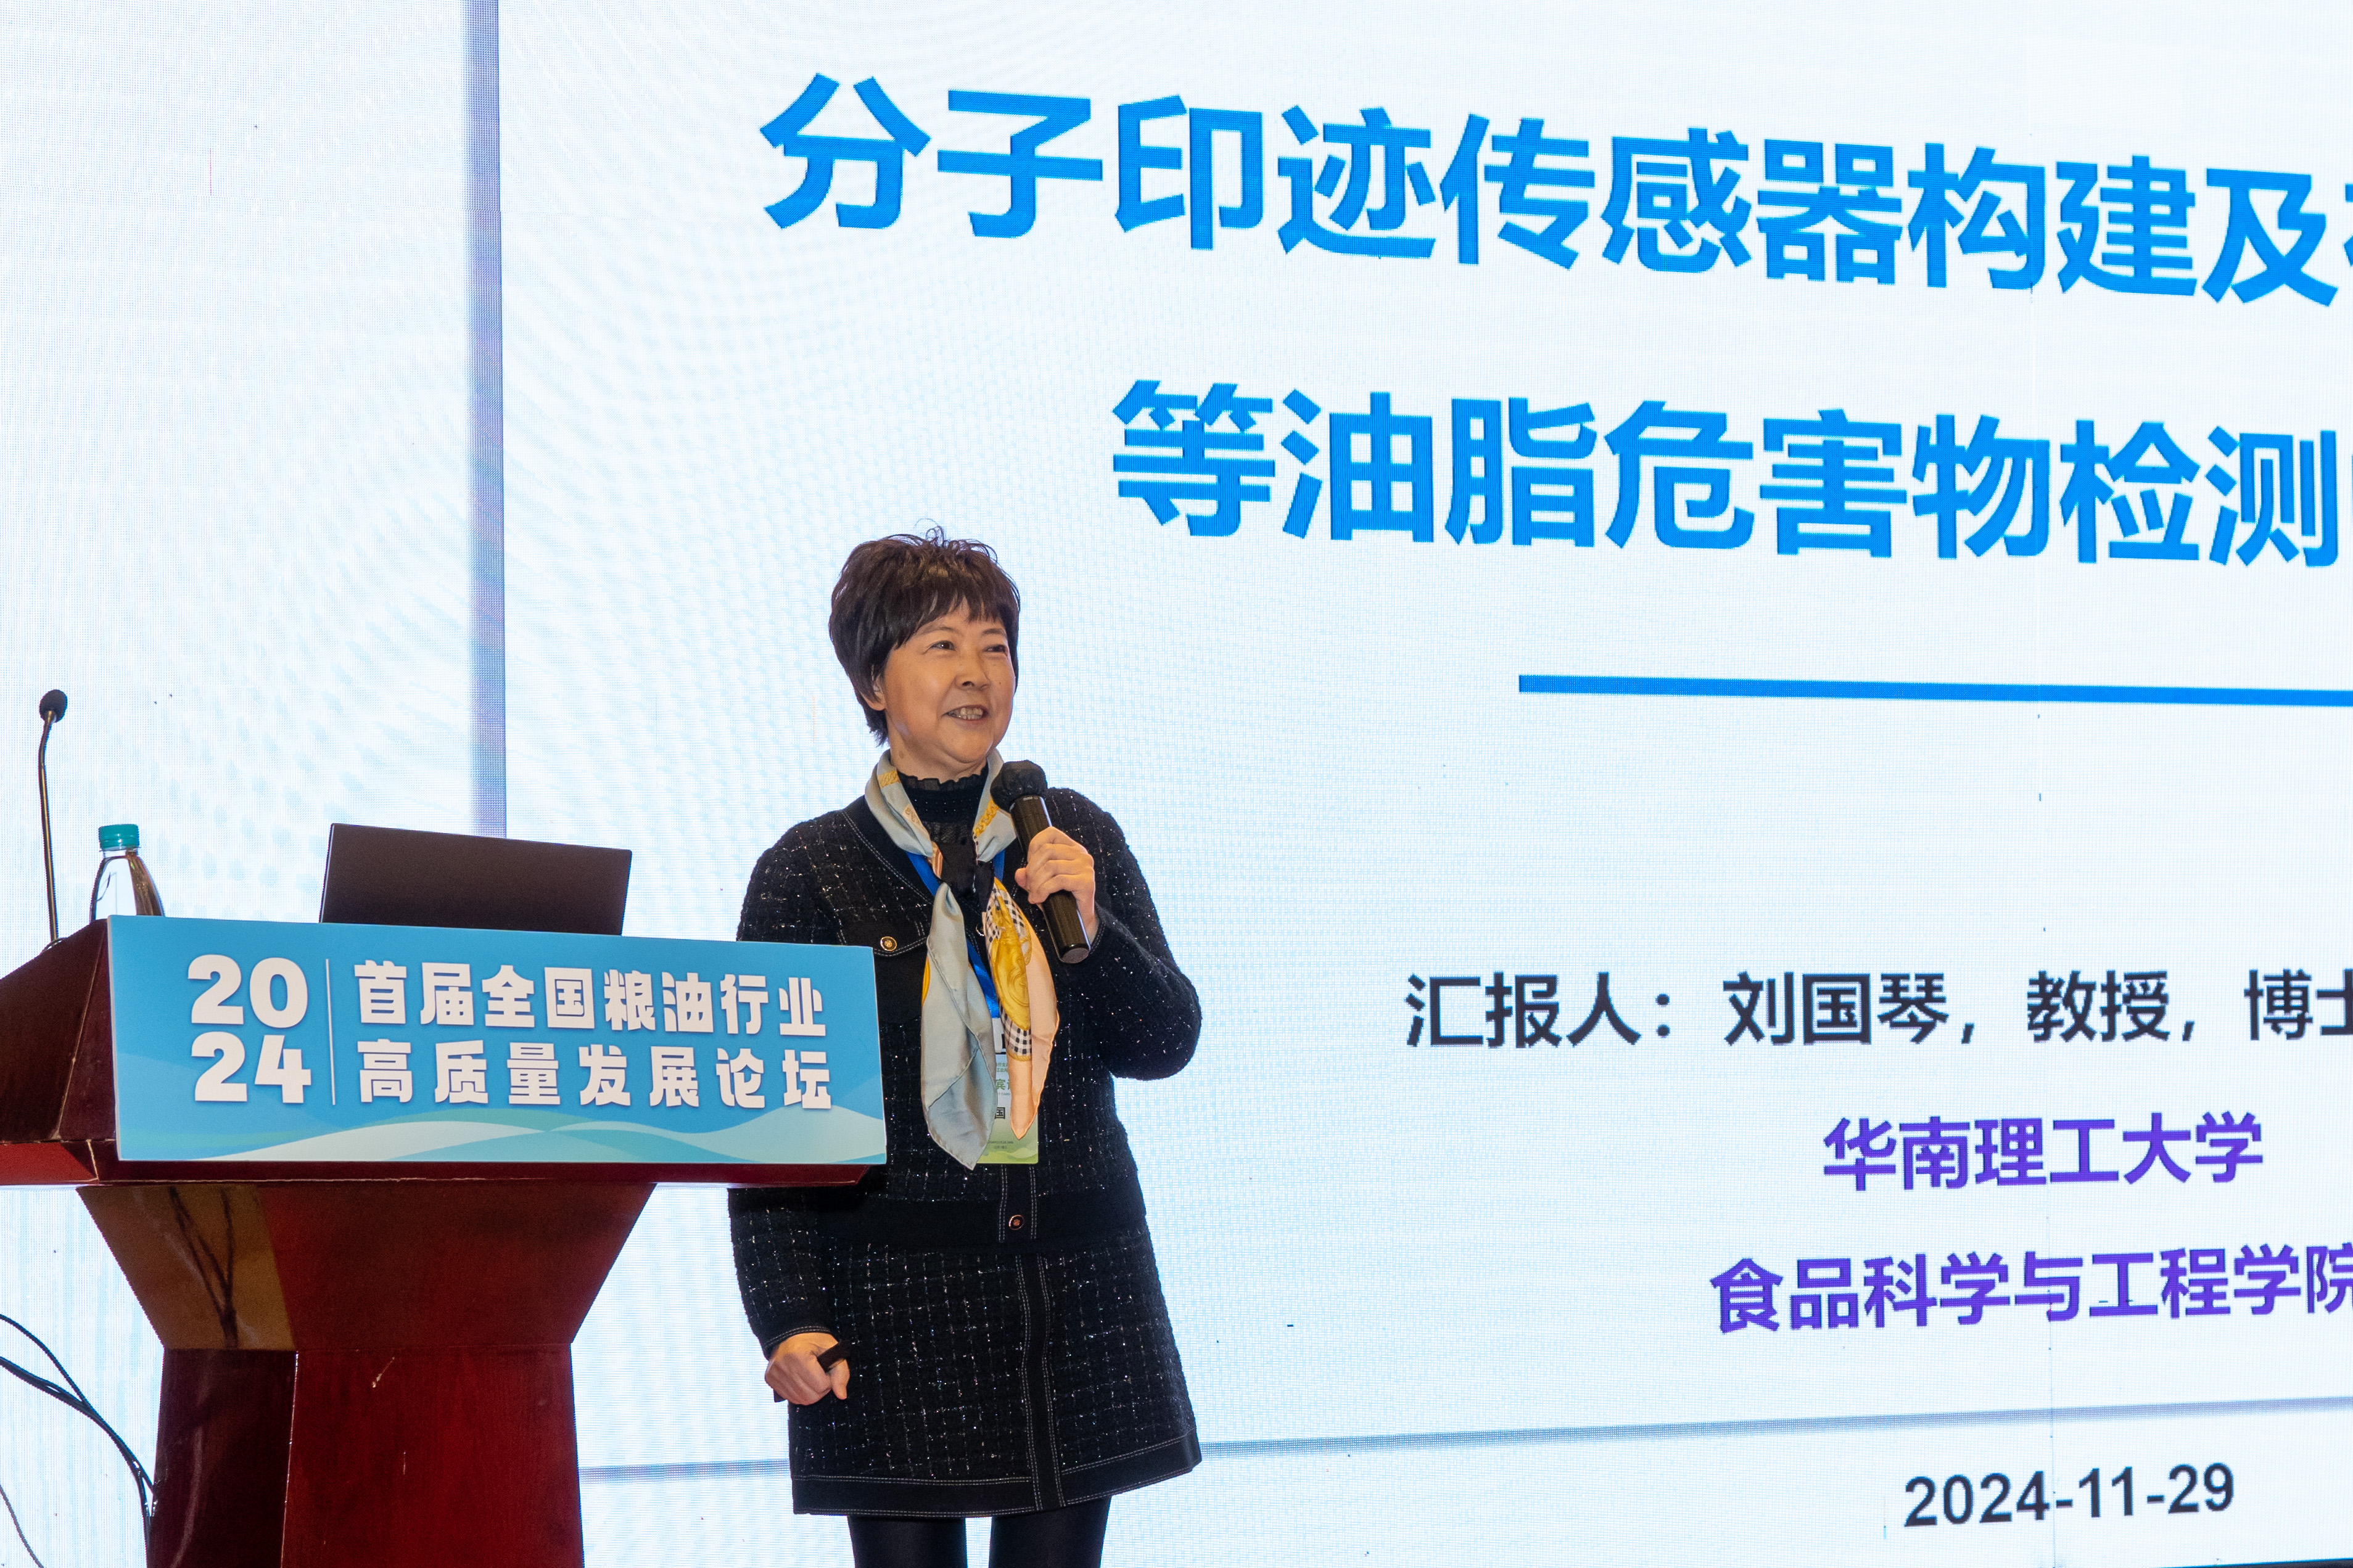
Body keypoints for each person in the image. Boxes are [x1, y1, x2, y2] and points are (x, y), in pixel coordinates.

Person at [730, 531, 1201, 1568]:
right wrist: (790, 1316)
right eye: (942, 646)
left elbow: (1164, 1041)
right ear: (874, 682)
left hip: (1073, 1296)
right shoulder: (811, 872)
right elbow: (773, 1127)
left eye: (995, 647)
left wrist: (1091, 928)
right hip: (894, 1308)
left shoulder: (1071, 835)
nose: (977, 673)